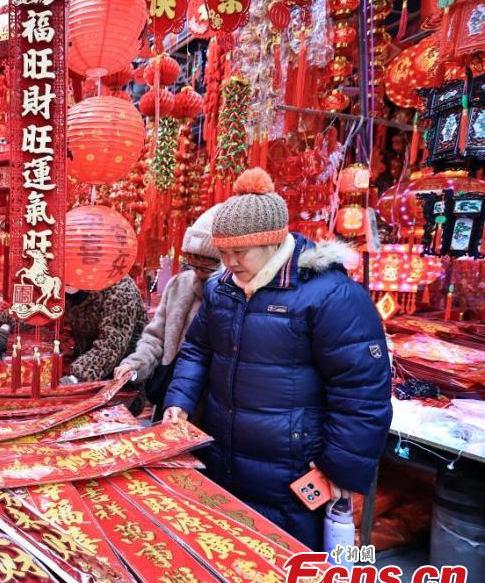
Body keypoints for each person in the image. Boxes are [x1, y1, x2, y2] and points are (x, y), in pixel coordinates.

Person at [163, 168, 393, 549]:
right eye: (223, 252)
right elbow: (197, 349)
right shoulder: (222, 289)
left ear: (271, 242)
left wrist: (338, 466)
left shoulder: (329, 295)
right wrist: (180, 400)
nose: (229, 262)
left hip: (292, 475)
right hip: (223, 460)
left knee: (285, 567)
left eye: (239, 252)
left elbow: (362, 390)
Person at [114, 205, 222, 414]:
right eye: (193, 263)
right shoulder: (178, 285)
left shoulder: (229, 295)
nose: (199, 272)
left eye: (207, 266)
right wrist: (135, 365)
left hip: (210, 402)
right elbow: (155, 338)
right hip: (169, 392)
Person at [0, 276, 148, 384]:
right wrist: (5, 328)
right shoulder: (59, 282)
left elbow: (111, 345)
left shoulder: (118, 286)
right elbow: (35, 308)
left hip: (124, 375)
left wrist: (76, 377)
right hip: (87, 372)